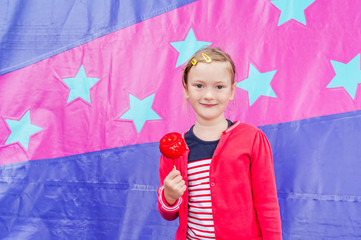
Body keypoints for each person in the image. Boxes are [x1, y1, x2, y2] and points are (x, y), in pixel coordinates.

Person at [157, 47, 282, 240]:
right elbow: (169, 213)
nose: (208, 95)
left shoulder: (252, 138)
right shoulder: (176, 150)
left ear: (232, 91)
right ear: (186, 89)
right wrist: (170, 196)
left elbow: (267, 203)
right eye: (199, 85)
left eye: (219, 87)